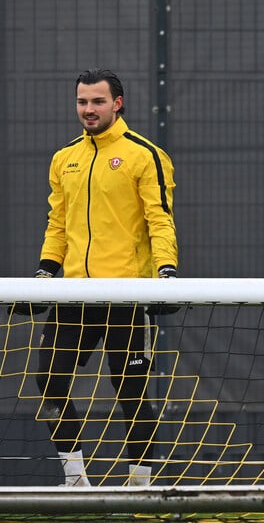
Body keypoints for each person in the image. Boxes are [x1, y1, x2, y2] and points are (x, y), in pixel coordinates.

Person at [13, 68, 178, 486]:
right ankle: (75, 480)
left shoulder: (145, 155)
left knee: (132, 394)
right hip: (74, 296)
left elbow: (160, 219)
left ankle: (140, 485)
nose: (89, 109)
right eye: (82, 101)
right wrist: (46, 271)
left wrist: (167, 272)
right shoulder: (64, 158)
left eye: (98, 101)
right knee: (49, 382)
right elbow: (58, 224)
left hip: (126, 296)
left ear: (117, 104)